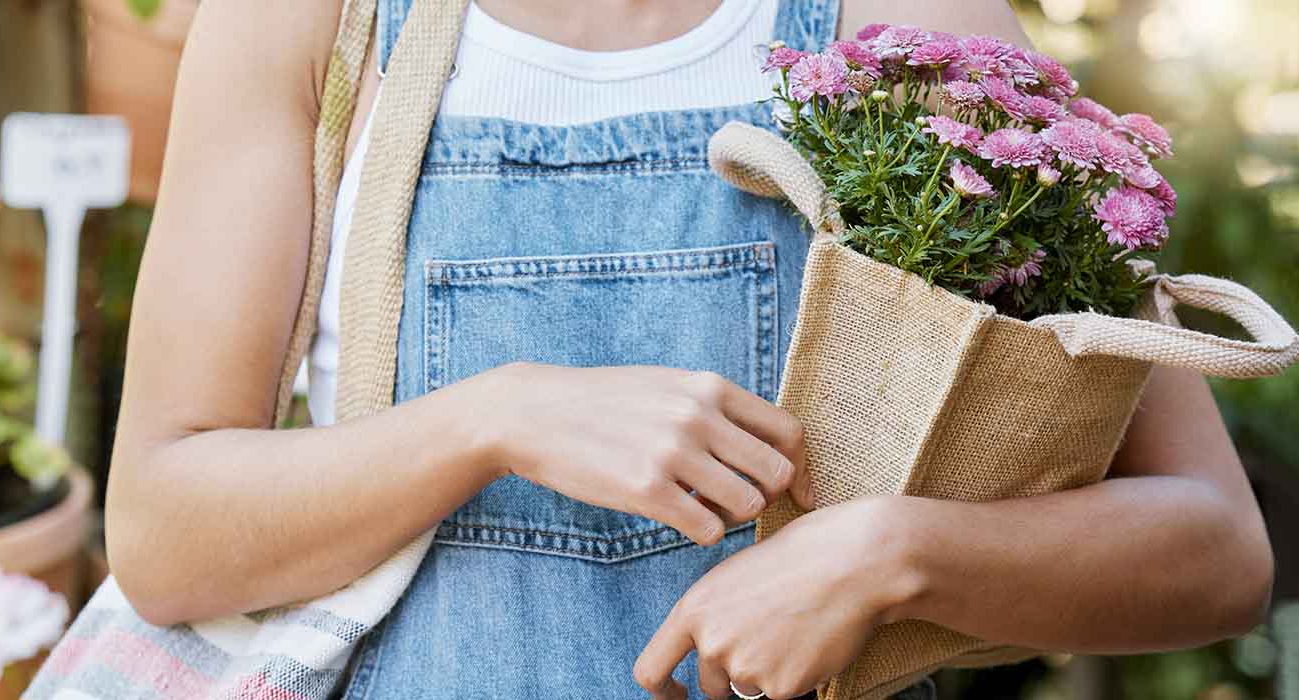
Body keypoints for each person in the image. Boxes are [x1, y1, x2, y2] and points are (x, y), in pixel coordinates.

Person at [102, 0, 1274, 697]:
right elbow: (164, 532)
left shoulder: (911, 22)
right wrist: (491, 419)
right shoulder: (312, 26)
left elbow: (1212, 546)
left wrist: (893, 550)